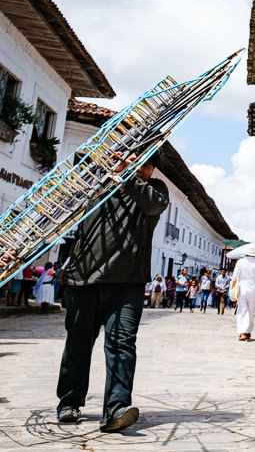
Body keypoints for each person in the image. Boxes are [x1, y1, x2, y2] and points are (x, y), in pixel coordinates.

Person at [52, 150, 169, 432]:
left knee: (122, 345)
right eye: (133, 161)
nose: (140, 169)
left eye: (146, 166)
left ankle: (116, 409)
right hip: (84, 281)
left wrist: (128, 174)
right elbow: (58, 206)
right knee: (77, 345)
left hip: (128, 284)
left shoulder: (153, 190)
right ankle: (69, 401)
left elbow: (153, 206)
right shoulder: (94, 187)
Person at [230, 245, 255, 341]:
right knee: (251, 310)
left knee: (242, 309)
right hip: (253, 288)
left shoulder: (240, 262)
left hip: (241, 287)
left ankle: (242, 332)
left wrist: (232, 288)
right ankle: (247, 331)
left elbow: (234, 277)